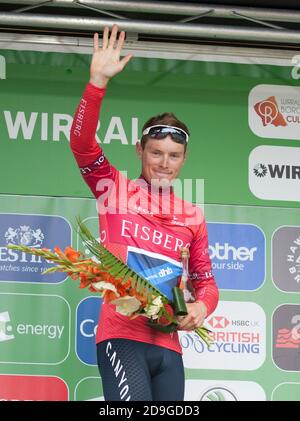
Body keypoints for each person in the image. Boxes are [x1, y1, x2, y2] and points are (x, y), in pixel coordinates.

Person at [70, 25, 219, 401]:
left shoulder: (192, 216)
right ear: (140, 150)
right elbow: (83, 145)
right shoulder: (113, 190)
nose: (164, 164)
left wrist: (201, 306)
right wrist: (97, 83)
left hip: (169, 347)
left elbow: (206, 281)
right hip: (122, 338)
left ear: (184, 159)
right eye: (156, 153)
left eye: (173, 156)